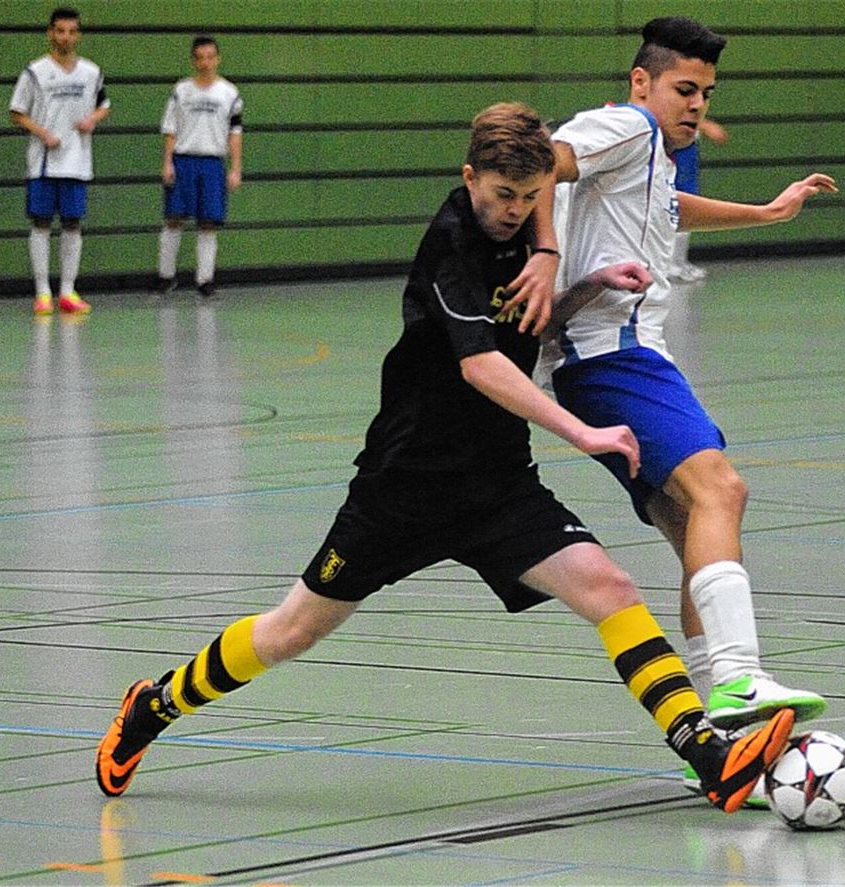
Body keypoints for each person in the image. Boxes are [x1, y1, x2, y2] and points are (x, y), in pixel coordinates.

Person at [96, 102, 795, 815]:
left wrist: (589, 284)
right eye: (503, 196)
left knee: (610, 587)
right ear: (470, 178)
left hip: (497, 485)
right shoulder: (451, 243)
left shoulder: (531, 237)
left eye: (530, 198)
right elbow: (482, 363)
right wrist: (579, 432)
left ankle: (707, 753)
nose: (516, 211)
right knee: (291, 630)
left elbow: (528, 320)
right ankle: (154, 704)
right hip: (404, 488)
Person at [540, 16, 838, 735]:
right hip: (611, 353)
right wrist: (543, 253)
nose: (697, 104)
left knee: (692, 524)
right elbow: (542, 157)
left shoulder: (649, 154)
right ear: (641, 82)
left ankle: (721, 731)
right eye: (684, 88)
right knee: (722, 490)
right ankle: (737, 676)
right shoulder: (627, 129)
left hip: (609, 356)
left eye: (706, 91)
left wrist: (766, 211)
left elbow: (668, 209)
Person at [8, 7, 110, 316]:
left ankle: (67, 291)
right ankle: (42, 292)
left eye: (71, 31)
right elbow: (16, 112)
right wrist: (43, 133)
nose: (65, 37)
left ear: (78, 35)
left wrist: (93, 118)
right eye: (59, 31)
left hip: (77, 161)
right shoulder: (35, 71)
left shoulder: (91, 72)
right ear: (50, 33)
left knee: (72, 224)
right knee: (40, 223)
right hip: (43, 161)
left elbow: (104, 104)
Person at [154, 36, 243, 298]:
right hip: (183, 160)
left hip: (213, 163)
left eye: (210, 57)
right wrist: (167, 162)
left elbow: (235, 132)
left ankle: (205, 280)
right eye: (200, 58)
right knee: (174, 218)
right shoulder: (181, 90)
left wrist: (235, 168)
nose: (205, 63)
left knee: (208, 222)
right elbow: (170, 128)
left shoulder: (230, 93)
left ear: (218, 59)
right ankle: (165, 277)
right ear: (193, 60)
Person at [668, 116, 730, 281]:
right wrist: (704, 125)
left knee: (684, 201)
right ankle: (673, 266)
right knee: (680, 202)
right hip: (678, 146)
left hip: (686, 145)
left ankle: (678, 263)